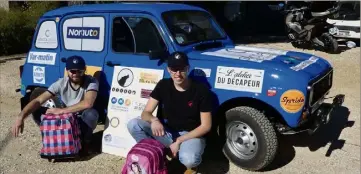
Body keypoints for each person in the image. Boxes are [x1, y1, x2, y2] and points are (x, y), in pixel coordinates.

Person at [127, 52, 213, 174]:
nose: (178, 74)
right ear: (168, 69)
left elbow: (206, 126)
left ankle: (185, 162)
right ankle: (157, 155)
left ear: (187, 68)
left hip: (190, 135)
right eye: (174, 69)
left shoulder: (201, 90)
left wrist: (179, 141)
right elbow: (146, 113)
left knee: (189, 160)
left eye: (181, 69)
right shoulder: (163, 85)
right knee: (134, 124)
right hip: (167, 133)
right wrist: (154, 120)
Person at [12, 55, 99, 155]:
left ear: (84, 70)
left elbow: (88, 103)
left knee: (92, 114)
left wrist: (61, 111)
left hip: (82, 117)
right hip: (67, 118)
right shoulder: (61, 83)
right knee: (37, 110)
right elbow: (39, 100)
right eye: (72, 71)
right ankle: (54, 137)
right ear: (67, 70)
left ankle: (85, 143)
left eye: (79, 71)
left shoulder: (91, 81)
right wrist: (21, 116)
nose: (76, 74)